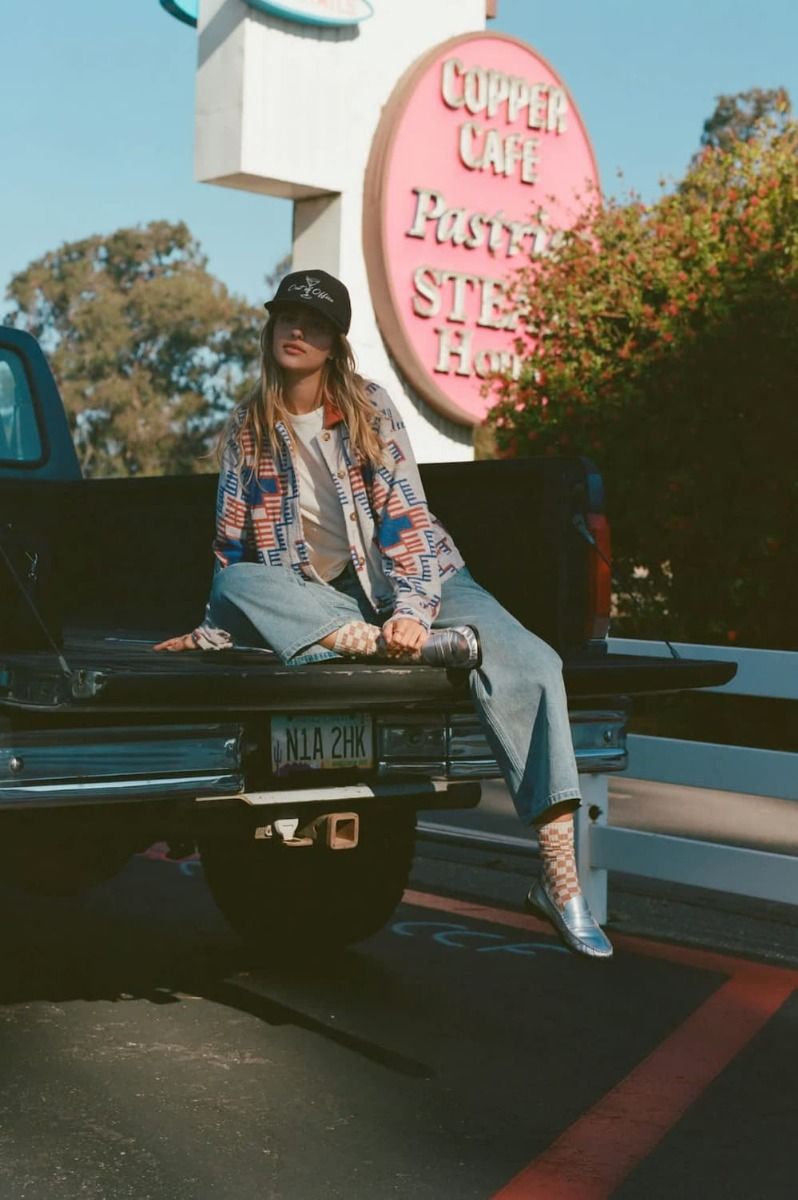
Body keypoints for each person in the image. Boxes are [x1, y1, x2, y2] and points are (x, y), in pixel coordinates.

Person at [155, 269, 613, 960]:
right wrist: (212, 632)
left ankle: (558, 878)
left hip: (423, 580)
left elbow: (406, 517)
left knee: (535, 662)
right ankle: (389, 644)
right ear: (271, 327)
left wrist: (415, 612)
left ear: (335, 343)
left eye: (314, 323)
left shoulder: (368, 406)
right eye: (287, 317)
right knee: (240, 584)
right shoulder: (249, 428)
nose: (297, 330)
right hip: (327, 600)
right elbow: (232, 549)